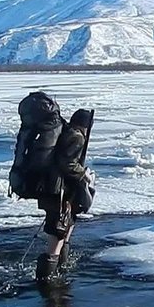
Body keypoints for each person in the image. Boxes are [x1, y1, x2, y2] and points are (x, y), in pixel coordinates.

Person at [35, 108, 96, 283]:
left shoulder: (66, 133)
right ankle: (46, 279)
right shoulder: (76, 136)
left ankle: (60, 268)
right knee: (59, 230)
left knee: (64, 226)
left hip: (52, 190)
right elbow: (67, 163)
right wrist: (83, 174)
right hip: (59, 192)